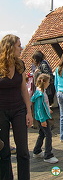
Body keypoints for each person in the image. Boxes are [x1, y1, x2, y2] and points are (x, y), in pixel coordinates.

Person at [0, 34, 33, 180]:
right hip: (1, 110)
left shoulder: (20, 64)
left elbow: (23, 89)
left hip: (19, 109)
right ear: (10, 47)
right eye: (19, 45)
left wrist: (29, 111)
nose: (21, 48)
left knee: (23, 151)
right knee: (4, 151)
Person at [31, 73, 58, 163]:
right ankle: (48, 155)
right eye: (48, 82)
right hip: (42, 118)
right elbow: (39, 108)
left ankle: (37, 151)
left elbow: (43, 105)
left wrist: (48, 109)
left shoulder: (42, 91)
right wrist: (42, 120)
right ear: (44, 82)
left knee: (42, 134)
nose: (49, 83)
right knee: (48, 135)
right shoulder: (40, 94)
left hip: (43, 116)